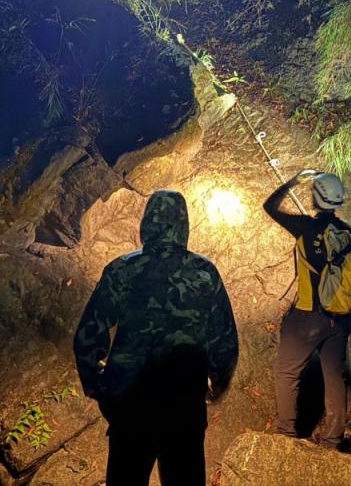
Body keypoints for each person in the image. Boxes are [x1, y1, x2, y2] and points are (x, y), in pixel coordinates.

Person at [74, 190, 238, 486]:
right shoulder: (205, 273)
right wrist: (217, 385)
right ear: (184, 225)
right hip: (183, 405)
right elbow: (225, 340)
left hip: (129, 404)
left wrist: (99, 387)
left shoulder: (121, 269)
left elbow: (88, 333)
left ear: (146, 223)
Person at [264, 169, 351, 450]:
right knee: (335, 376)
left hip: (308, 314)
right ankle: (333, 439)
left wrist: (294, 179)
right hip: (339, 318)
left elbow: (269, 206)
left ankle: (286, 434)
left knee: (286, 371)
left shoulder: (305, 228)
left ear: (316, 198)